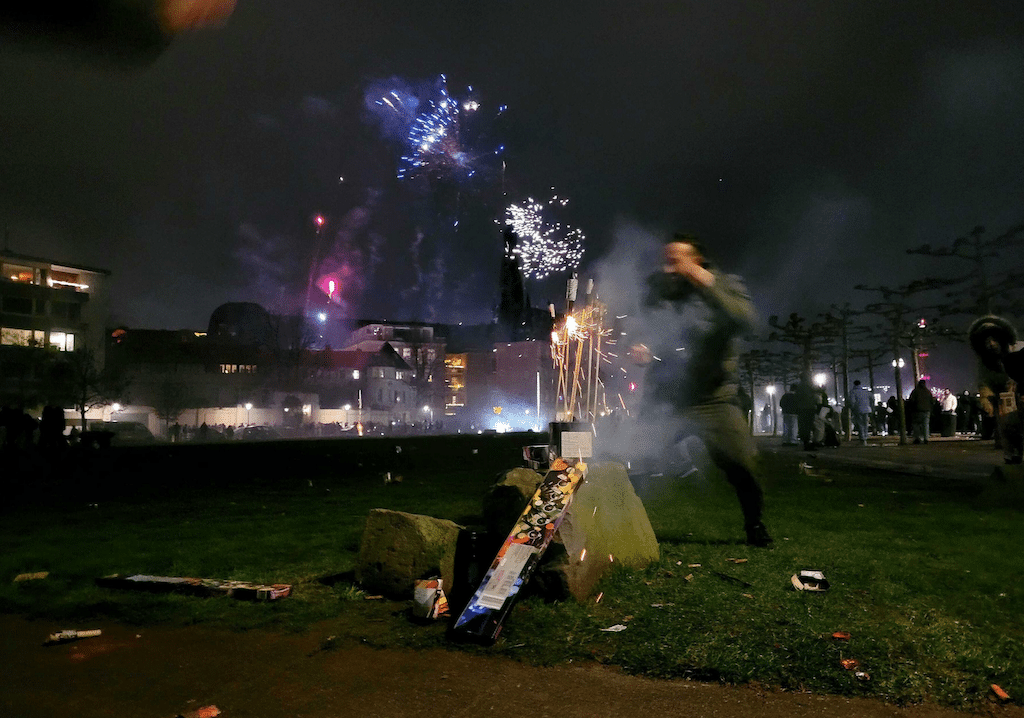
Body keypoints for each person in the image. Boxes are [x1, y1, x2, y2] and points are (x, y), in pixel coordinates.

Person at [628, 233, 772, 547]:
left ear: (697, 261)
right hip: (668, 397)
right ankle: (619, 523)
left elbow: (745, 321)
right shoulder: (659, 290)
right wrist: (641, 347)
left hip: (714, 399)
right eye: (667, 260)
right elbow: (644, 328)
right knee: (636, 459)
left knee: (743, 464)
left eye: (677, 260)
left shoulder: (725, 284)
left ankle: (755, 525)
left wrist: (703, 280)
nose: (669, 267)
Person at [969, 315, 1024, 464]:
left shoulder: (1018, 350)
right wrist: (986, 398)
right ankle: (1012, 456)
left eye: (994, 340)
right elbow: (984, 382)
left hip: (1021, 396)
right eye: (987, 342)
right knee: (1008, 428)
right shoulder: (985, 362)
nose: (991, 344)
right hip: (1005, 402)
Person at [908, 379, 934, 444]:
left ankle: (917, 438)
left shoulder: (915, 391)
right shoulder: (928, 392)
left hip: (917, 410)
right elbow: (932, 401)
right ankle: (926, 438)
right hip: (927, 410)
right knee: (925, 425)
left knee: (916, 425)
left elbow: (911, 401)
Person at [849, 380, 873, 445]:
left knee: (860, 424)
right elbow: (872, 398)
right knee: (865, 423)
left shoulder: (853, 392)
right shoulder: (865, 391)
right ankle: (865, 436)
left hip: (858, 409)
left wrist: (853, 408)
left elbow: (852, 401)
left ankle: (862, 438)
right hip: (867, 409)